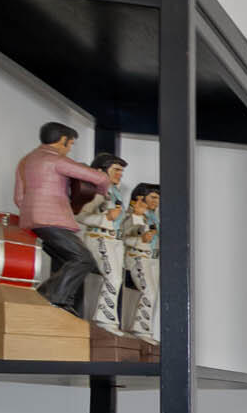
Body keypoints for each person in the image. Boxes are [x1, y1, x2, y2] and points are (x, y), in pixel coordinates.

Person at [12, 121, 107, 320]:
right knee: (83, 259)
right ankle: (49, 296)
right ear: (63, 140)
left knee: (65, 262)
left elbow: (19, 198)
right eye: (70, 144)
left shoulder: (25, 161)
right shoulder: (56, 160)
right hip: (53, 220)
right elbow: (100, 179)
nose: (69, 148)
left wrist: (33, 211)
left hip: (32, 220)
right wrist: (99, 195)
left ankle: (62, 308)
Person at [75, 151, 129, 332]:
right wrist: (105, 218)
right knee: (112, 277)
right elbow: (80, 215)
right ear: (100, 170)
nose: (119, 174)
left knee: (117, 279)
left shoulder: (115, 193)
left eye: (121, 171)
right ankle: (104, 319)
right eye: (116, 169)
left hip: (115, 240)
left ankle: (106, 317)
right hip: (100, 238)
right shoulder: (97, 191)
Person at [122, 183, 161, 344]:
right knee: (148, 292)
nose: (156, 201)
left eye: (158, 198)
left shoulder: (154, 217)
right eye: (153, 197)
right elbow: (124, 235)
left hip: (153, 258)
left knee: (152, 295)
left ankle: (145, 329)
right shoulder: (133, 214)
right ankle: (140, 329)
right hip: (137, 256)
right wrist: (140, 239)